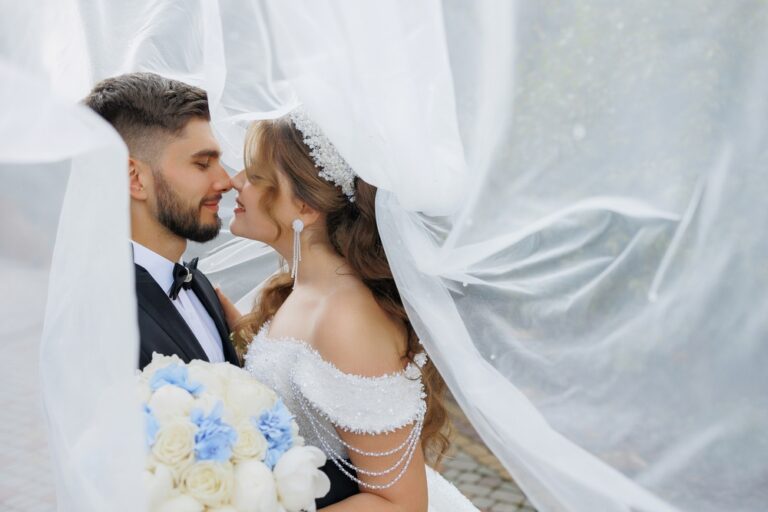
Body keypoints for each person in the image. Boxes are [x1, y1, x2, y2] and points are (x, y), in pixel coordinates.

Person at [217, 107, 478, 511]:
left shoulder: (347, 318)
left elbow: (400, 504)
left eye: (255, 177)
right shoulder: (302, 285)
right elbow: (301, 374)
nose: (234, 182)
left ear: (304, 207)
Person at [84, 72, 240, 369]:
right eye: (203, 164)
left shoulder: (201, 287)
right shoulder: (96, 311)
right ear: (135, 178)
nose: (225, 181)